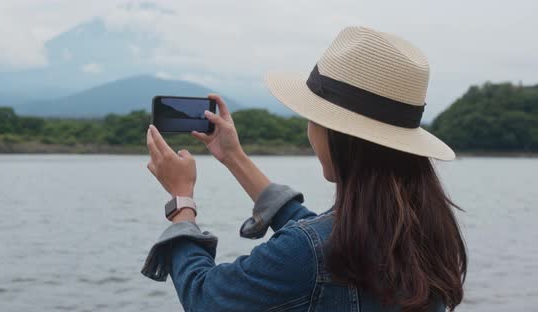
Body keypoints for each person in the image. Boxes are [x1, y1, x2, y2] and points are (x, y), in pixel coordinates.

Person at [142, 26, 467, 312]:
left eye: (313, 117)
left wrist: (181, 200)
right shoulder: (425, 231)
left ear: (337, 134)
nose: (309, 130)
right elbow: (320, 236)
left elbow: (206, 299)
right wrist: (233, 157)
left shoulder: (312, 252)